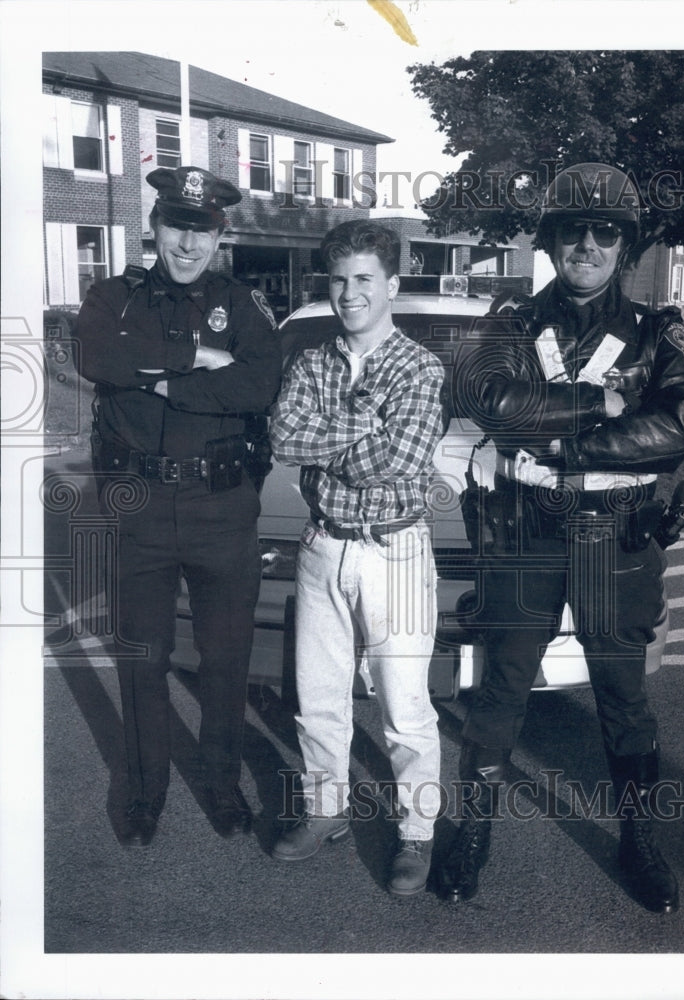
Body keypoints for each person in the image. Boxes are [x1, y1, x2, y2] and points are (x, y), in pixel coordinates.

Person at [439, 162, 684, 912]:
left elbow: (673, 431)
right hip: (524, 532)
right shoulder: (512, 322)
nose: (586, 244)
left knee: (623, 700)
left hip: (615, 539)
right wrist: (604, 402)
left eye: (604, 232)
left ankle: (638, 840)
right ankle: (472, 836)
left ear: (624, 245)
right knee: (498, 693)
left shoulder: (657, 332)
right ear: (551, 241)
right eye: (571, 230)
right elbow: (489, 397)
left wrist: (561, 444)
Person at [74, 166, 282, 845]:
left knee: (224, 661)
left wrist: (164, 381)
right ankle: (143, 792)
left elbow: (257, 385)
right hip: (138, 504)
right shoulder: (114, 298)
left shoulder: (244, 305)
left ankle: (222, 786)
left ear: (220, 236)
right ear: (154, 229)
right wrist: (196, 357)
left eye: (202, 230)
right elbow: (98, 356)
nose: (187, 244)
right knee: (144, 658)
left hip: (222, 506)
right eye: (176, 227)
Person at [268, 220, 446, 896]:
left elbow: (393, 463)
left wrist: (328, 437)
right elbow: (287, 437)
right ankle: (323, 810)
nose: (349, 293)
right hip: (321, 546)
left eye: (363, 279)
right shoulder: (312, 361)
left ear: (392, 284)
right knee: (317, 698)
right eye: (339, 280)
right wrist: (362, 421)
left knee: (404, 707)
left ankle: (416, 834)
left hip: (394, 551)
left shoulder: (419, 366)